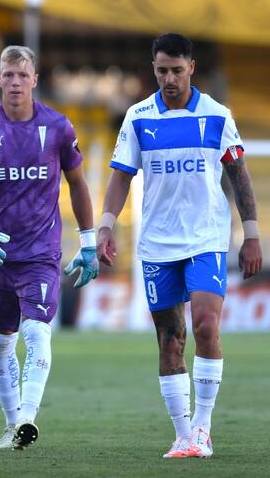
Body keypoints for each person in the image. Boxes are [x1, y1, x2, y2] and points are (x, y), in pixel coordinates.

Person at [97, 33, 262, 459]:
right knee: (170, 339)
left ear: (191, 67)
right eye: (161, 70)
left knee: (206, 326)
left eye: (176, 69)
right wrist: (106, 226)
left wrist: (252, 233)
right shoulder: (137, 117)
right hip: (157, 244)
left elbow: (238, 174)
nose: (168, 78)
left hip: (206, 237)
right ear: (153, 69)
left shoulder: (216, 115)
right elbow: (120, 176)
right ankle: (183, 433)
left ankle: (204, 429)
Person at [0, 45, 98, 450]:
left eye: (23, 75)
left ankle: (27, 418)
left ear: (35, 80)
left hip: (41, 252)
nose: (15, 82)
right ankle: (10, 424)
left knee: (37, 332)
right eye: (8, 74)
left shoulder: (58, 127)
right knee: (1, 342)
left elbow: (78, 184)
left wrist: (87, 242)